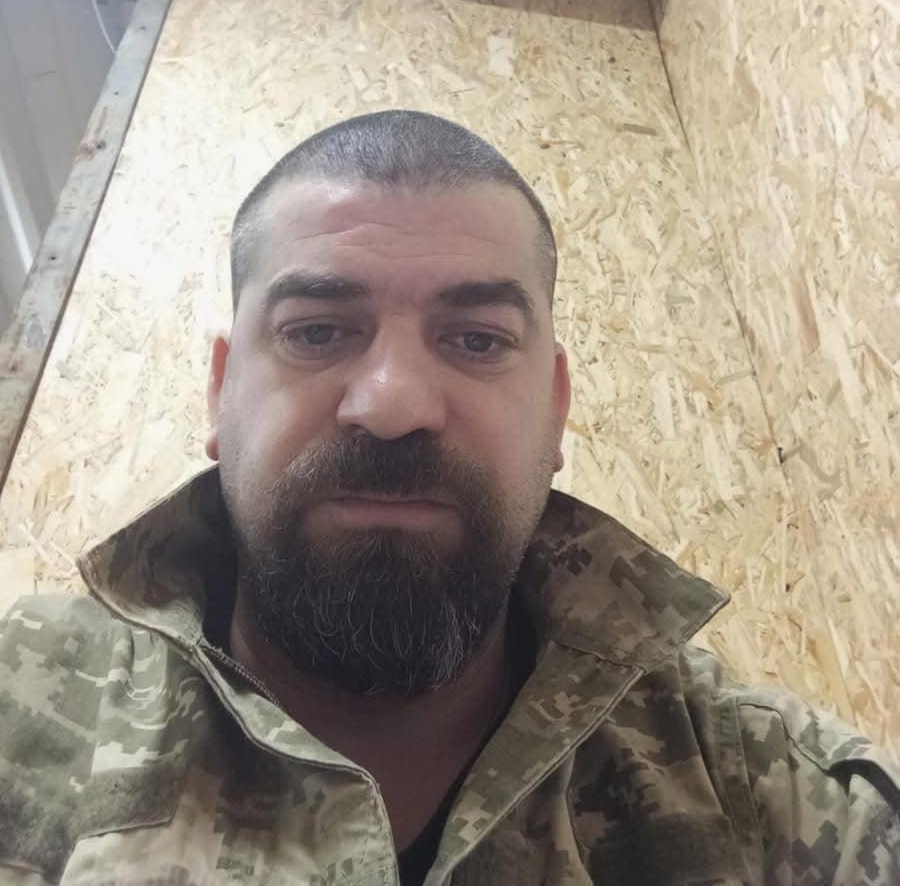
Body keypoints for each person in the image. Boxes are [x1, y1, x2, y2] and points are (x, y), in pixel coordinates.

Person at [0, 109, 896, 886]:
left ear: (555, 409)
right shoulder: (16, 706)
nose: (393, 405)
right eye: (318, 332)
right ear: (219, 392)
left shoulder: (781, 799)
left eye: (475, 340)